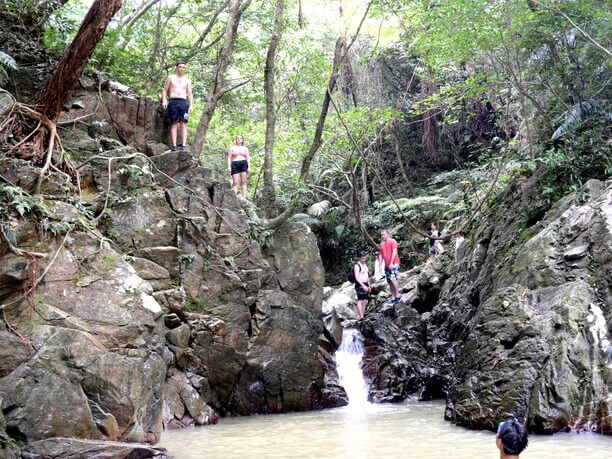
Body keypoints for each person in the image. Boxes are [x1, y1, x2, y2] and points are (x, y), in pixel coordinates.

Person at [161, 61, 193, 151]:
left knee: (183, 124)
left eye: (183, 67)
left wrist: (191, 105)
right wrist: (164, 100)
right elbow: (165, 90)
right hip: (173, 102)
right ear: (176, 67)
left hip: (183, 103)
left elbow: (190, 94)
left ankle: (183, 145)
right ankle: (174, 146)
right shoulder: (171, 78)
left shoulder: (187, 80)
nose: (182, 68)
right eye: (180, 67)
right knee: (174, 123)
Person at [379, 229, 400, 304]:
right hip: (386, 265)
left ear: (388, 234)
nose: (382, 236)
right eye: (381, 235)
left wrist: (391, 263)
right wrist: (380, 265)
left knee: (394, 279)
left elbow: (394, 252)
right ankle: (393, 296)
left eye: (384, 234)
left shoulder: (393, 241)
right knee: (389, 281)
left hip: (394, 263)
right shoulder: (381, 244)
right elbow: (381, 255)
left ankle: (397, 295)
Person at [227, 135, 250, 199]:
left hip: (243, 163)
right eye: (237, 138)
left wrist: (249, 167)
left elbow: (248, 158)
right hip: (235, 163)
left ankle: (244, 198)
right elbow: (229, 158)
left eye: (240, 138)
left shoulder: (245, 148)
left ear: (242, 140)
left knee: (243, 181)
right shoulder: (232, 148)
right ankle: (235, 197)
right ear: (236, 140)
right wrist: (229, 166)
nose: (239, 139)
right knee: (235, 182)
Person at [353, 251, 370, 320]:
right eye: (362, 258)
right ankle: (361, 316)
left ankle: (362, 314)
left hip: (366, 283)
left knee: (365, 300)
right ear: (359, 258)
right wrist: (363, 285)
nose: (364, 259)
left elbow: (367, 275)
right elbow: (357, 278)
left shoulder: (365, 265)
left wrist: (369, 285)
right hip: (360, 284)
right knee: (360, 300)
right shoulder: (357, 266)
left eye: (364, 258)